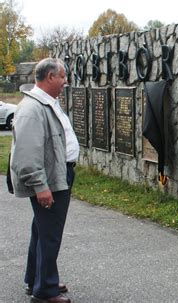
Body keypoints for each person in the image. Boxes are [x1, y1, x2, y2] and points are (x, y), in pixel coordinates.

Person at [10, 58, 79, 303]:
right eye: (62, 77)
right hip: (49, 181)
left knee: (41, 231)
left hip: (57, 175)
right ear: (50, 77)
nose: (65, 82)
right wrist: (41, 186)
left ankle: (37, 279)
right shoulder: (33, 108)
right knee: (50, 235)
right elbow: (26, 155)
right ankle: (45, 291)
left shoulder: (47, 102)